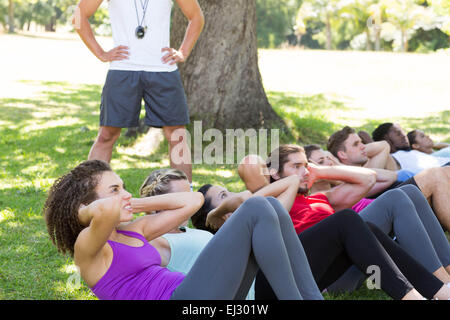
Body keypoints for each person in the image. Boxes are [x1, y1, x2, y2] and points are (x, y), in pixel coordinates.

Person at [43, 160, 327, 300]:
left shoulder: (134, 230)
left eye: (124, 186)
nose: (125, 193)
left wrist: (132, 201)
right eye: (115, 189)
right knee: (255, 209)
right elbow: (103, 212)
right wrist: (83, 211)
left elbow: (193, 200)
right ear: (87, 206)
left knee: (272, 208)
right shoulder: (89, 249)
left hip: (194, 294)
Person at [193, 176, 450, 300]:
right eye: (223, 196)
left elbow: (265, 201)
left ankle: (439, 292)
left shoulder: (259, 219)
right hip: (267, 292)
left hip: (292, 277)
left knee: (363, 226)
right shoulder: (225, 236)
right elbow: (248, 199)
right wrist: (218, 212)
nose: (231, 198)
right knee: (346, 221)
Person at [235, 146, 450, 291]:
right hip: (328, 275)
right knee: (395, 197)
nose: (304, 171)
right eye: (296, 166)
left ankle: (447, 275)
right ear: (275, 174)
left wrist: (318, 172)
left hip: (356, 254)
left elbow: (367, 180)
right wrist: (288, 181)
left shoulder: (321, 198)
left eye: (305, 165)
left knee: (409, 194)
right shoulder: (270, 201)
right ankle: (443, 287)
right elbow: (248, 168)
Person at [73, 0, 205, 182]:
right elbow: (79, 16)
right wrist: (101, 53)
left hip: (163, 70)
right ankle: (91, 193)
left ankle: (186, 194)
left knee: (177, 135)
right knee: (106, 134)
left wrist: (183, 51)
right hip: (123, 69)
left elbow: (197, 17)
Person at [327, 126, 450, 229]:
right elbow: (386, 175)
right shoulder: (346, 183)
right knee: (437, 175)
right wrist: (339, 164)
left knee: (444, 172)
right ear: (342, 154)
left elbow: (383, 145)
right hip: (396, 203)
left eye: (361, 142)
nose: (363, 146)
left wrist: (353, 153)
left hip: (408, 194)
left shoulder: (368, 166)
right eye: (356, 144)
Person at [371, 123, 449, 175]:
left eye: (403, 132)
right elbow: (362, 134)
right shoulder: (392, 158)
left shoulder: (411, 152)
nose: (404, 136)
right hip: (443, 172)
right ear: (386, 140)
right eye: (398, 134)